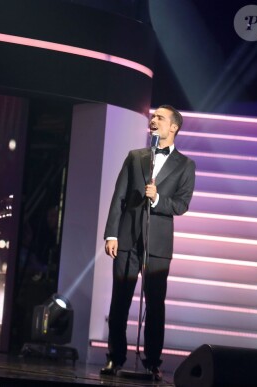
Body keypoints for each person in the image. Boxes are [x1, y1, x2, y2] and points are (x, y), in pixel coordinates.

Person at [100, 105, 196, 380]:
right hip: (128, 239)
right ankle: (115, 358)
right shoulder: (135, 157)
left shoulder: (186, 165)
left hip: (158, 245)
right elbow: (119, 196)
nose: (153, 121)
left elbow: (181, 204)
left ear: (173, 127)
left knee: (155, 305)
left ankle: (153, 361)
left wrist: (156, 199)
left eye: (160, 118)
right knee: (119, 301)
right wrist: (111, 233)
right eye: (153, 117)